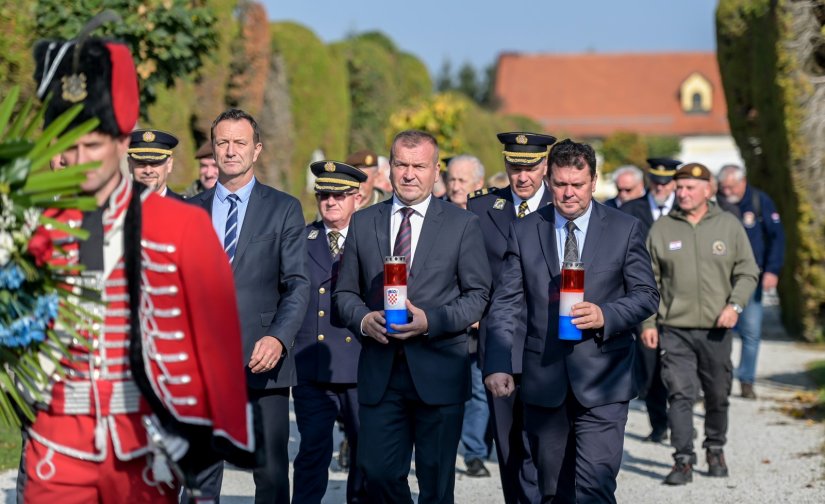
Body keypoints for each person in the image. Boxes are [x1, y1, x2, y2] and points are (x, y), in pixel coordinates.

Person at [25, 34, 256, 502]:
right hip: (57, 441)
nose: (78, 160)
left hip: (146, 443)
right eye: (68, 145)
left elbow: (214, 335)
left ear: (120, 142)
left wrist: (209, 437)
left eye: (92, 144)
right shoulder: (37, 227)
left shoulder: (182, 224)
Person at [485, 139, 659, 503]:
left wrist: (605, 314)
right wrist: (499, 363)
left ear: (594, 181)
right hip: (545, 381)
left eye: (577, 185)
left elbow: (646, 295)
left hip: (604, 379)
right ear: (548, 181)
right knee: (552, 490)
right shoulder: (525, 230)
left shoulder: (624, 228)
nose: (568, 194)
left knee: (595, 486)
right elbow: (506, 304)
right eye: (560, 184)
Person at [333, 130, 491, 504]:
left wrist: (431, 321)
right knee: (378, 473)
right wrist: (362, 319)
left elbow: (478, 296)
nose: (409, 174)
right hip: (381, 374)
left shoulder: (461, 224)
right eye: (401, 164)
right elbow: (344, 293)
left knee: (436, 487)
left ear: (436, 171)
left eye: (419, 166)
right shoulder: (363, 221)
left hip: (439, 370)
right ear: (389, 169)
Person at [189, 109, 310, 503]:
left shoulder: (284, 208)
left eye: (239, 142)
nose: (230, 150)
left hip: (262, 360)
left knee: (271, 474)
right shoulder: (190, 211)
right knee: (199, 474)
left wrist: (278, 338)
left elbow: (297, 284)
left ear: (256, 150)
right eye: (222, 142)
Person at [643, 162, 759, 485]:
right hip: (675, 329)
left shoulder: (729, 226)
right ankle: (682, 460)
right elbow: (648, 281)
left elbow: (748, 271)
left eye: (690, 188)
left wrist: (734, 306)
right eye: (679, 187)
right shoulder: (663, 229)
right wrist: (648, 324)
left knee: (717, 393)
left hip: (716, 329)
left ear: (708, 190)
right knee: (679, 393)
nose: (682, 193)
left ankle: (715, 447)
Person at [466, 131, 555, 503]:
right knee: (509, 447)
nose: (523, 176)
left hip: (551, 344)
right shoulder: (481, 209)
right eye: (515, 167)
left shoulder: (564, 204)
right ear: (505, 165)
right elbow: (467, 271)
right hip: (501, 343)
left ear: (545, 166)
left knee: (548, 446)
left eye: (531, 167)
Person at [292, 160, 368, 504]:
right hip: (313, 367)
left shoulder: (372, 241)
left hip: (361, 367)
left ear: (358, 198)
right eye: (324, 194)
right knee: (311, 453)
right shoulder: (300, 240)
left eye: (340, 195)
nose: (331, 201)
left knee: (365, 456)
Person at [620, 157, 681, 443]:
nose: (660, 186)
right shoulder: (632, 210)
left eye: (666, 182)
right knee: (651, 365)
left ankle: (681, 421)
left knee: (680, 366)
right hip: (642, 297)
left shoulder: (686, 210)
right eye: (656, 181)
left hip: (679, 302)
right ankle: (659, 424)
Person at [717, 164, 785, 399]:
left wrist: (772, 270)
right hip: (720, 278)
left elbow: (776, 238)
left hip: (751, 277)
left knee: (751, 331)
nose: (727, 191)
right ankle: (718, 380)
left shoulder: (759, 201)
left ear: (743, 181)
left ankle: (747, 380)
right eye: (723, 187)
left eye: (731, 186)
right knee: (718, 329)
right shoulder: (715, 202)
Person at [442, 154, 490, 477]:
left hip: (475, 324)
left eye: (463, 180)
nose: (456, 186)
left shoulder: (487, 221)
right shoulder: (434, 215)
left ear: (478, 186)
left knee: (477, 388)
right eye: (452, 179)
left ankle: (474, 452)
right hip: (439, 322)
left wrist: (481, 311)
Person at [127, 128, 184, 200]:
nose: (148, 171)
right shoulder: (116, 208)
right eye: (141, 163)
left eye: (155, 163)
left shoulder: (186, 208)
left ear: (169, 164)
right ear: (130, 165)